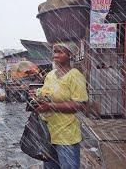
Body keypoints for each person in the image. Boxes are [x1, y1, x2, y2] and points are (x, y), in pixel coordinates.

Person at [35, 41, 88, 169]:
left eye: (60, 52)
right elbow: (45, 94)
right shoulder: (50, 75)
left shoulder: (75, 75)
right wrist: (36, 96)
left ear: (70, 55)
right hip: (48, 133)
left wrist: (51, 106)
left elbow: (80, 105)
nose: (56, 55)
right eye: (55, 52)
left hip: (66, 135)